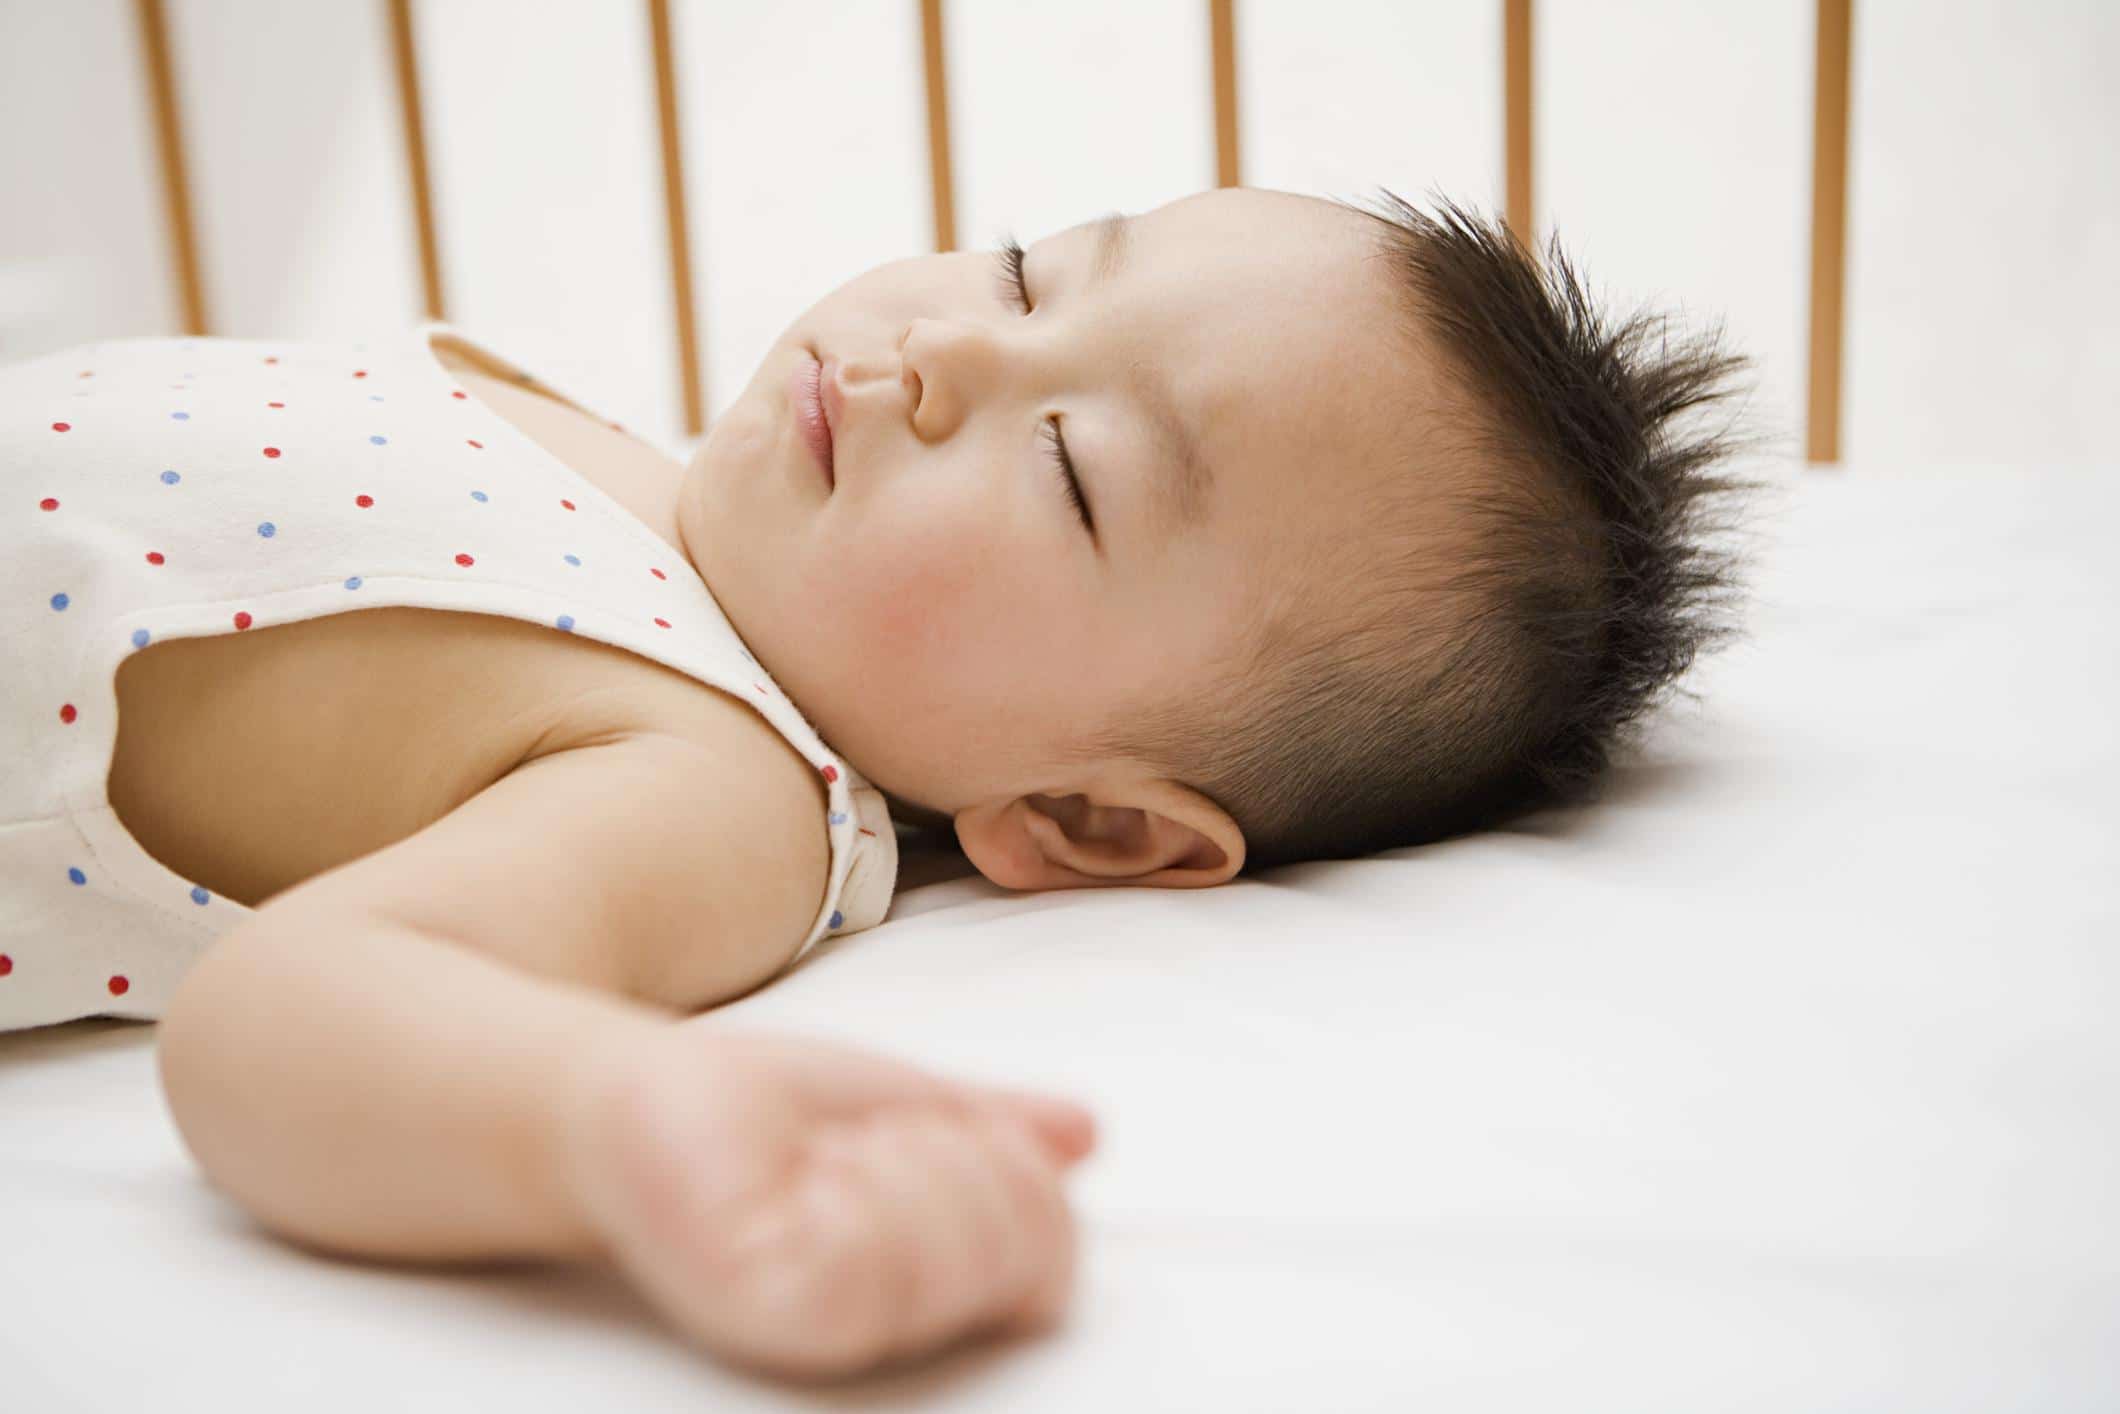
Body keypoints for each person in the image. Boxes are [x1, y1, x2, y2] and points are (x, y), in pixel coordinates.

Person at [0, 185, 1754, 1381]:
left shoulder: (713, 778)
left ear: (1096, 822)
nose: (946, 357)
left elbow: (284, 1020)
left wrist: (603, 1120)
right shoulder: (632, 464)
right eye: (1026, 274)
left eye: (1072, 471)